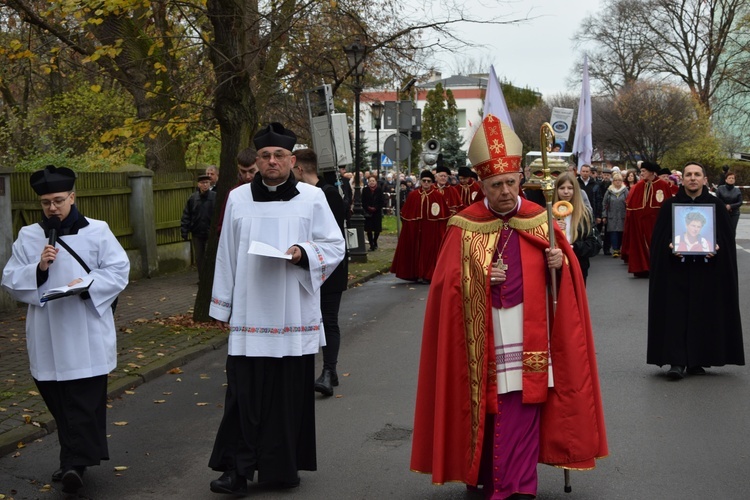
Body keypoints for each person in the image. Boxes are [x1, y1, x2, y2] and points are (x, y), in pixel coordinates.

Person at [410, 114, 608, 498]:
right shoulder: (464, 225)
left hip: (527, 330)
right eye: (495, 184)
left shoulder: (540, 220)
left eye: (509, 182)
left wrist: (560, 264)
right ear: (481, 185)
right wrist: (480, 278)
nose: (503, 191)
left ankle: (517, 485)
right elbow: (444, 287)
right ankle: (481, 474)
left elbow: (566, 285)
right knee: (485, 405)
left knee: (523, 403)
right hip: (481, 335)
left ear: (521, 180)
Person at [207, 123, 345, 495]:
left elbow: (335, 246)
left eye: (278, 156)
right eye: (265, 156)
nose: (271, 161)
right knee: (243, 395)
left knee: (286, 397)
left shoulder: (312, 198)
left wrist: (304, 253)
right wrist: (222, 307)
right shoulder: (237, 198)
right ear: (258, 160)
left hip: (293, 312)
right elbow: (226, 254)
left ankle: (281, 468)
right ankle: (236, 471)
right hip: (250, 314)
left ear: (292, 160)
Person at [1, 165, 130, 494]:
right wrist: (39, 268)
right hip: (47, 332)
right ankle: (73, 458)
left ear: (72, 197)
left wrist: (87, 283)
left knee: (83, 402)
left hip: (85, 328)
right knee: (59, 401)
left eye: (58, 200)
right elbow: (11, 278)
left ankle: (75, 463)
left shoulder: (98, 231)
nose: (52, 208)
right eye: (46, 202)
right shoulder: (29, 236)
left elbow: (118, 270)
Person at [647, 162, 744, 380]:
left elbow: (726, 239)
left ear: (704, 179)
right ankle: (677, 360)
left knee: (704, 313)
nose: (692, 178)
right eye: (689, 174)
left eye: (697, 175)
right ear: (682, 179)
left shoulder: (716, 205)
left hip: (707, 272)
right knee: (675, 313)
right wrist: (669, 246)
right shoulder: (670, 205)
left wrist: (716, 246)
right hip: (676, 271)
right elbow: (659, 239)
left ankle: (698, 358)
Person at [292, 148, 349, 397]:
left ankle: (328, 370)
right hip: (306, 265)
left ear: (300, 169)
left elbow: (331, 237)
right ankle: (315, 372)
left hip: (330, 268)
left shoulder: (328, 194)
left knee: (328, 319)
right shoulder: (299, 195)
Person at [390, 170, 451, 283]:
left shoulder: (437, 196)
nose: (426, 183)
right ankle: (415, 273)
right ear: (420, 181)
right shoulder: (413, 195)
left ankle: (428, 275)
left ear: (432, 182)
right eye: (424, 181)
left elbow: (444, 217)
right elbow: (406, 215)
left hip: (431, 231)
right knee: (416, 251)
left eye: (429, 181)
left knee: (430, 253)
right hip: (416, 230)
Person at [621, 161, 672, 277]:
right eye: (641, 171)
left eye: (644, 171)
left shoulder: (663, 185)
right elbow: (631, 206)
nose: (641, 173)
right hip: (640, 223)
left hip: (657, 222)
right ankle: (642, 268)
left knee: (657, 244)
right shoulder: (638, 186)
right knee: (640, 245)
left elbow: (668, 205)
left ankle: (657, 267)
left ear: (651, 172)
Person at [553, 172, 600, 283]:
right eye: (562, 188)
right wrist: (552, 229)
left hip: (578, 265)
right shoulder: (547, 214)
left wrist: (574, 247)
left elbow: (595, 244)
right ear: (556, 190)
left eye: (570, 188)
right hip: (554, 268)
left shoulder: (585, 214)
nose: (566, 192)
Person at [180, 174, 216, 275]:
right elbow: (187, 215)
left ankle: (210, 277)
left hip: (210, 232)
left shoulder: (214, 197)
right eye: (202, 183)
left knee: (210, 256)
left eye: (207, 183)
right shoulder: (193, 198)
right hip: (197, 232)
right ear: (198, 184)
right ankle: (202, 277)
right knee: (199, 257)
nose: (205, 185)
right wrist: (184, 231)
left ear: (209, 184)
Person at [602, 172, 629, 258]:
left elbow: (629, 202)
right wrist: (604, 215)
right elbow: (604, 203)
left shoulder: (625, 190)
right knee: (613, 232)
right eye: (616, 180)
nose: (617, 182)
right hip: (612, 215)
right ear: (613, 181)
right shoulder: (609, 191)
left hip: (622, 215)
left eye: (619, 180)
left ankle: (620, 248)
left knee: (621, 233)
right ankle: (615, 249)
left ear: (622, 181)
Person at [715, 171, 742, 240]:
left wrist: (730, 206)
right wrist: (724, 206)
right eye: (729, 178)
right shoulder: (720, 189)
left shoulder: (737, 190)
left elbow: (740, 202)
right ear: (726, 179)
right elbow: (717, 200)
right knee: (722, 229)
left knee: (732, 230)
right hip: (722, 212)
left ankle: (731, 244)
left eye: (733, 178)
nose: (731, 179)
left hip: (734, 213)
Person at [361, 175, 384, 251]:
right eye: (370, 181)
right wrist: (368, 207)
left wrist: (376, 208)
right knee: (369, 229)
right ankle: (371, 245)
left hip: (377, 212)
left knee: (377, 229)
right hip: (368, 212)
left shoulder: (379, 190)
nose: (371, 182)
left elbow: (382, 201)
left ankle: (375, 241)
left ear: (376, 182)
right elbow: (363, 201)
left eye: (373, 181)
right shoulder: (365, 190)